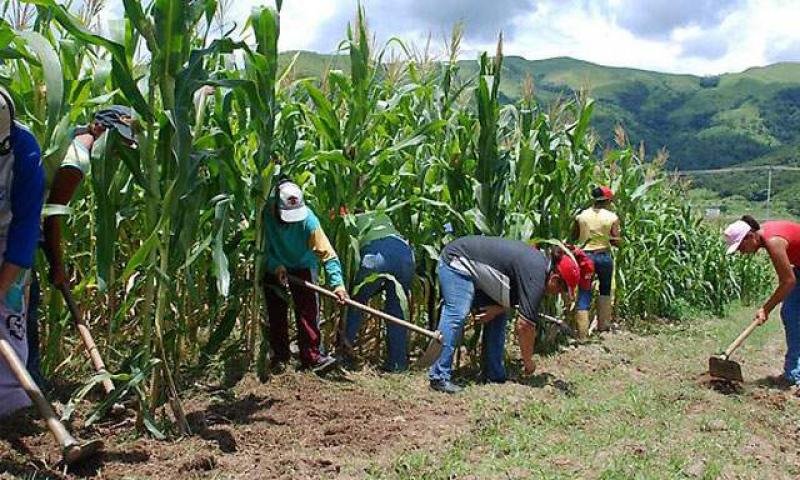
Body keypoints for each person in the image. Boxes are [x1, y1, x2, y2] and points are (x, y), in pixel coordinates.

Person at [25, 106, 135, 388]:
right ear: (98, 127)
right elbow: (53, 214)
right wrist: (58, 266)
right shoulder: (79, 159)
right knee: (25, 304)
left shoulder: (71, 138)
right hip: (15, 223)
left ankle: (28, 381)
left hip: (21, 219)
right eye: (117, 140)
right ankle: (28, 383)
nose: (118, 150)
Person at [428, 236, 580, 394]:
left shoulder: (538, 268)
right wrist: (528, 363)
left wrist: (496, 309)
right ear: (555, 279)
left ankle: (494, 375)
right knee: (457, 313)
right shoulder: (537, 275)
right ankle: (439, 377)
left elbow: (509, 296)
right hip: (457, 262)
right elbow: (524, 326)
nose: (558, 295)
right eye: (561, 290)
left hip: (475, 272)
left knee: (498, 314)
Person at [263, 179, 349, 374]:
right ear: (277, 208)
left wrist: (338, 286)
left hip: (302, 265)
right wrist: (275, 266)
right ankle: (280, 357)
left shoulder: (309, 220)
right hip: (274, 263)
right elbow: (260, 248)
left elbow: (328, 253)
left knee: (307, 312)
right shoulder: (265, 213)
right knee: (276, 311)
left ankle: (311, 357)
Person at [0, 86, 46, 416]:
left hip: (7, 233)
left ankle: (12, 407)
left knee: (9, 312)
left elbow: (25, 229)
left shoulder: (25, 151)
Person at [724, 215, 800, 386]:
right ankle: (793, 374)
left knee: (792, 314)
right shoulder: (764, 234)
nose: (741, 252)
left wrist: (766, 309)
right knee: (791, 314)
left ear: (751, 236)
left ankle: (794, 374)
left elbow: (788, 281)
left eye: (740, 246)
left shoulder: (774, 241)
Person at [339, 211, 415, 372]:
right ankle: (397, 363)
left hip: (376, 256)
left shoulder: (350, 221)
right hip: (406, 255)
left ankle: (343, 355)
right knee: (397, 310)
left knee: (356, 302)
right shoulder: (381, 216)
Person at [572, 185, 621, 338]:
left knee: (584, 291)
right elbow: (615, 240)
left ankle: (582, 332)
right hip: (604, 256)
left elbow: (574, 235)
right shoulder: (612, 217)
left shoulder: (581, 216)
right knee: (605, 289)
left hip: (585, 258)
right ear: (607, 201)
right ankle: (604, 326)